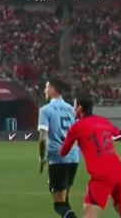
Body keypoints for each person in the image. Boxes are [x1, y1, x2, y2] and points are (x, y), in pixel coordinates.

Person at [60, 94, 121, 218]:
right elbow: (116, 133)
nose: (73, 109)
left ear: (80, 108)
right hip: (120, 171)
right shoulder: (103, 120)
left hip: (102, 177)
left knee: (88, 214)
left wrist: (77, 143)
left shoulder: (76, 127)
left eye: (74, 106)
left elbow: (63, 152)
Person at [38, 78, 80, 218]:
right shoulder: (71, 110)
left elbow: (43, 137)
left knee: (59, 204)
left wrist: (42, 158)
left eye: (47, 87)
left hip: (58, 158)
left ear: (53, 90)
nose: (45, 91)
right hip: (73, 157)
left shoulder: (46, 110)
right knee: (65, 199)